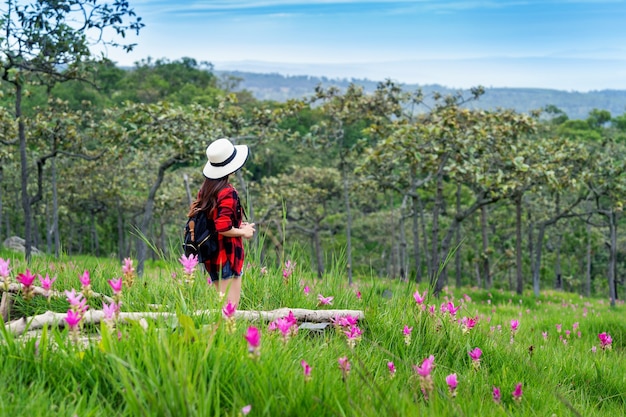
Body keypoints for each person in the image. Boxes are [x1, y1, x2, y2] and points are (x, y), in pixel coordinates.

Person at [187, 137, 255, 307]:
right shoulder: (227, 192)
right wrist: (243, 232)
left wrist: (238, 226)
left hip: (213, 255)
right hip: (227, 255)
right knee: (230, 308)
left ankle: (220, 332)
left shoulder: (206, 189)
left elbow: (214, 220)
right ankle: (223, 333)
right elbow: (222, 227)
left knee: (222, 304)